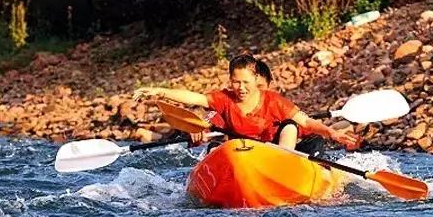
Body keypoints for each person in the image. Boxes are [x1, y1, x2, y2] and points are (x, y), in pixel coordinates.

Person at [132, 54, 356, 151]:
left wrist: (331, 133)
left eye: (246, 82)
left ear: (256, 80)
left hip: (282, 151)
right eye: (235, 82)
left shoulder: (274, 101)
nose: (241, 88)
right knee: (216, 148)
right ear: (230, 81)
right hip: (246, 152)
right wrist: (159, 91)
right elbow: (194, 98)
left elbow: (306, 123)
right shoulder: (222, 100)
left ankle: (286, 162)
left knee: (290, 125)